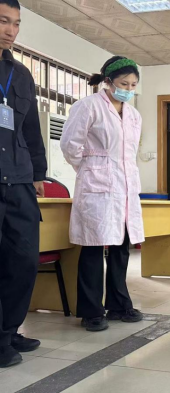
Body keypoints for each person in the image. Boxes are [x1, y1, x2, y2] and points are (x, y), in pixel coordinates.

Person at [61, 56, 145, 332]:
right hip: (97, 186)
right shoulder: (88, 106)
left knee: (121, 247)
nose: (128, 89)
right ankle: (91, 311)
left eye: (133, 85)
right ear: (108, 81)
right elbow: (70, 145)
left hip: (125, 187)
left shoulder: (134, 115)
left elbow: (129, 154)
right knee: (94, 248)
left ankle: (119, 304)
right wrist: (90, 169)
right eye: (124, 84)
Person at [0, 0, 46, 368]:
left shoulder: (21, 74)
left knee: (24, 260)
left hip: (18, 180)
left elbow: (31, 129)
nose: (11, 31)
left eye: (16, 24)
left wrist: (38, 173)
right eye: (4, 21)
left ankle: (8, 329)